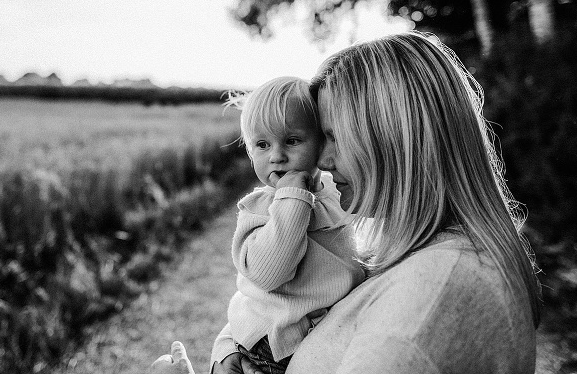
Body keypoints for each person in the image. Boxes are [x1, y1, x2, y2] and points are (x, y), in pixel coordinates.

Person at [150, 31, 541, 374]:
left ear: (394, 138)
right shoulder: (415, 253)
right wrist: (230, 345)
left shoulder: (425, 308)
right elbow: (276, 295)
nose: (321, 161)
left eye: (334, 137)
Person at [218, 76, 364, 374]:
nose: (276, 156)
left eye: (292, 141)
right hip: (277, 344)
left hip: (322, 332)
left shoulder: (336, 193)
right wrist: (293, 199)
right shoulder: (261, 209)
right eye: (262, 144)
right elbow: (269, 274)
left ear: (321, 142)